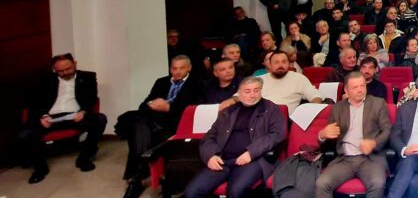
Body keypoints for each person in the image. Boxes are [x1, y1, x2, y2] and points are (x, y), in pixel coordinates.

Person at [183, 76, 287, 198]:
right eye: (247, 91)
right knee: (192, 192)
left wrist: (251, 152)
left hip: (253, 160)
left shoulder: (271, 109)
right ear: (239, 93)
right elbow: (209, 136)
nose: (252, 95)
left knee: (236, 191)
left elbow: (277, 134)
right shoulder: (228, 111)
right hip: (223, 160)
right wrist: (210, 155)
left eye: (256, 90)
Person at [121, 55, 203, 197]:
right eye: (174, 68)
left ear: (189, 68)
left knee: (140, 136)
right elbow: (144, 105)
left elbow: (194, 109)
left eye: (181, 68)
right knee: (139, 125)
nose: (177, 72)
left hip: (176, 123)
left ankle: (136, 178)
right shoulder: (161, 82)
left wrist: (169, 108)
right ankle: (140, 176)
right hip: (153, 120)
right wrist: (151, 104)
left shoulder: (197, 83)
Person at [20, 53, 106, 184]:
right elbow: (34, 103)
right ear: (54, 69)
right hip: (51, 118)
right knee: (25, 134)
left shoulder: (88, 77)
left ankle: (84, 158)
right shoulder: (45, 80)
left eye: (68, 68)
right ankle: (40, 168)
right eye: (60, 71)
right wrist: (43, 116)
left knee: (100, 119)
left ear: (74, 64)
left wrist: (83, 112)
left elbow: (92, 99)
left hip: (74, 116)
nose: (65, 73)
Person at [315, 72, 391, 198]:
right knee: (322, 183)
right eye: (355, 87)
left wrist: (374, 143)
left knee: (378, 183)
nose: (360, 90)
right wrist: (322, 135)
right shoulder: (337, 108)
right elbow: (330, 139)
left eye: (362, 86)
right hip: (345, 159)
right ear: (346, 90)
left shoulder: (378, 103)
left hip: (370, 159)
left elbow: (387, 130)